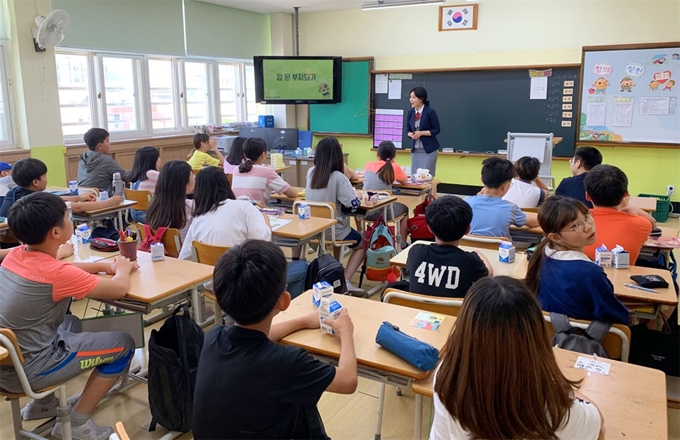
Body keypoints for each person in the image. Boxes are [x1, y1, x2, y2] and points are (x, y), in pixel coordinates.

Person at [0, 192, 137, 440]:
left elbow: (62, 269)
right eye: (67, 216)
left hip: (6, 365)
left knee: (70, 322)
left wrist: (105, 266)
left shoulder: (15, 255)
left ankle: (44, 405)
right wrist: (123, 269)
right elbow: (119, 289)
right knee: (124, 344)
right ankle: (77, 423)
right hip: (29, 372)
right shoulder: (56, 273)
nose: (70, 220)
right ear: (55, 233)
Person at [192, 240, 357, 439]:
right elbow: (348, 381)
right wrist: (346, 333)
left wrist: (303, 321)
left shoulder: (213, 337)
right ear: (284, 301)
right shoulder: (287, 362)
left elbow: (257, 336)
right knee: (302, 404)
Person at [431, 276, 603, 439]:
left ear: (464, 331)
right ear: (536, 339)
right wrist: (568, 393)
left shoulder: (447, 378)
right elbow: (597, 424)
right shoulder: (554, 410)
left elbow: (439, 436)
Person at [178, 167, 308, 298]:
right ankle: (279, 312)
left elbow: (184, 258)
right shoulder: (244, 207)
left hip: (213, 284)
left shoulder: (199, 219)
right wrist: (266, 221)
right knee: (302, 267)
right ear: (226, 184)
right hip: (245, 284)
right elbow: (263, 241)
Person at [524, 196, 629, 324]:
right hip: (589, 339)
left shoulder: (542, 254)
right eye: (576, 226)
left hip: (553, 336)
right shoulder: (589, 272)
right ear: (556, 237)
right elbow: (617, 317)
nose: (588, 227)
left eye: (586, 217)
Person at [305, 137, 366, 294]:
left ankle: (337, 272)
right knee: (362, 245)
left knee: (335, 240)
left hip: (313, 229)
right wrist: (357, 195)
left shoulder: (311, 173)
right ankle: (345, 280)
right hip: (335, 229)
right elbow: (352, 204)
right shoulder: (339, 177)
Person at [406, 196, 492, 297]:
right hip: (455, 313)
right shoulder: (471, 261)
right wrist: (478, 254)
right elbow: (488, 276)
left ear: (429, 228)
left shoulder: (416, 251)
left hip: (416, 312)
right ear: (468, 230)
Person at [0, 158, 122, 218]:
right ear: (36, 182)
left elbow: (53, 197)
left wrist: (79, 197)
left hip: (8, 238)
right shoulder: (36, 200)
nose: (46, 179)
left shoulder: (15, 192)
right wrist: (109, 202)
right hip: (22, 239)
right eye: (45, 176)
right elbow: (76, 207)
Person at [583, 164, 654, 263]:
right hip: (622, 278)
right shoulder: (642, 224)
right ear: (625, 194)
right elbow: (652, 224)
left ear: (588, 196)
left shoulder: (574, 223)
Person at [465, 157, 538, 238]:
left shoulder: (466, 203)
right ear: (506, 186)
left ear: (481, 179)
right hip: (499, 250)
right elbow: (534, 222)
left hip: (469, 248)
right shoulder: (510, 208)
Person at [363, 141, 409, 247]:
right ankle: (402, 243)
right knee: (405, 209)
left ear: (377, 154)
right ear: (395, 155)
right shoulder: (394, 167)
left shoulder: (368, 165)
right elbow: (405, 181)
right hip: (384, 212)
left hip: (366, 210)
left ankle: (363, 234)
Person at [231, 137, 297, 205]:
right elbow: (292, 194)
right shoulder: (266, 171)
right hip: (257, 212)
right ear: (263, 154)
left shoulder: (236, 169)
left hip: (237, 212)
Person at [146, 160, 195, 243]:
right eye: (191, 177)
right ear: (182, 184)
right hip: (183, 254)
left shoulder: (154, 204)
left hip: (160, 252)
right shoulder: (190, 206)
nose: (194, 179)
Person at [77, 128, 130, 194]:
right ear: (100, 146)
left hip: (84, 197)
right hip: (104, 198)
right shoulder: (106, 160)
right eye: (107, 141)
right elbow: (126, 176)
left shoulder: (83, 158)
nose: (110, 143)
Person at [406, 86, 440, 177]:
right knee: (415, 175)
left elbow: (436, 130)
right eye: (410, 97)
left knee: (427, 176)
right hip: (415, 150)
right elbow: (407, 130)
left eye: (414, 97)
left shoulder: (430, 112)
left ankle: (429, 192)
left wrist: (420, 133)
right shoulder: (410, 113)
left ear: (421, 99)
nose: (411, 100)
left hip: (428, 150)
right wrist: (411, 134)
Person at [128, 146, 160, 223]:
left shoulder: (134, 176)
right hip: (149, 215)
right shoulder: (151, 174)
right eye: (158, 157)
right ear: (153, 160)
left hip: (134, 214)